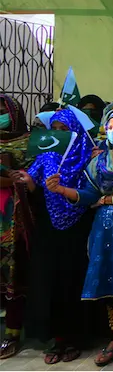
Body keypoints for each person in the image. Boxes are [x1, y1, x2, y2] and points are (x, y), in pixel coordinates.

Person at [46, 110, 113, 367]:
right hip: (101, 229)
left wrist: (107, 199)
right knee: (105, 279)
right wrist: (61, 189)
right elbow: (89, 194)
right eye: (111, 126)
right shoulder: (100, 161)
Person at [13, 108, 94, 365]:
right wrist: (26, 180)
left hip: (79, 225)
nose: (58, 134)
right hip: (49, 227)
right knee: (51, 280)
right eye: (55, 129)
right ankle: (57, 339)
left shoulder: (86, 154)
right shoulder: (46, 155)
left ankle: (76, 338)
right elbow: (34, 183)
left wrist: (65, 190)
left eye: (64, 129)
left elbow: (93, 188)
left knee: (74, 279)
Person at [0, 95, 31, 360]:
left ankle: (12, 333)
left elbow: (32, 178)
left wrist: (13, 178)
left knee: (13, 273)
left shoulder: (29, 142)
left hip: (15, 218)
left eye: (2, 112)